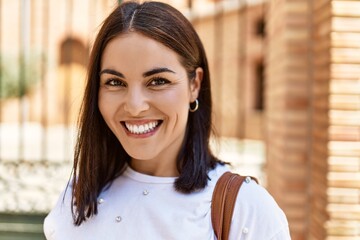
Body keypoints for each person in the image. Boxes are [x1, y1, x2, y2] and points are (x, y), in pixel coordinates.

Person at [44, 1, 291, 239]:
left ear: (194, 84)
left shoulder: (246, 210)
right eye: (115, 82)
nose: (135, 106)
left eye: (158, 81)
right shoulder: (77, 197)